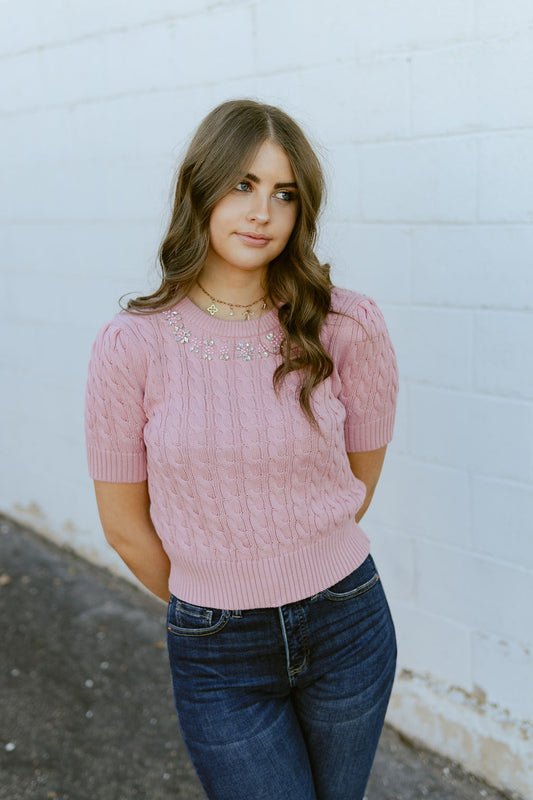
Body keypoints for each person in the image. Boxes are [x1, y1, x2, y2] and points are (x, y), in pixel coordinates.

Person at [85, 99, 399, 800]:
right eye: (242, 185)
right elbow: (124, 527)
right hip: (217, 651)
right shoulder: (131, 346)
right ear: (200, 189)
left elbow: (356, 477)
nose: (262, 212)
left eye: (283, 194)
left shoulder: (347, 325)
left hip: (348, 621)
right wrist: (217, 598)